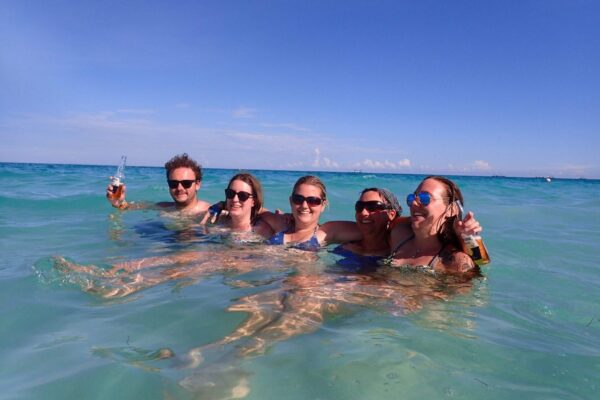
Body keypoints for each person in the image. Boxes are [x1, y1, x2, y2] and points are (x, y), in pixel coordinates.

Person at [56, 172, 272, 298]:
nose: (235, 199)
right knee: (174, 265)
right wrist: (118, 204)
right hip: (218, 256)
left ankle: (111, 283)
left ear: (254, 200)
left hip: (243, 261)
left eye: (242, 195)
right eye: (230, 193)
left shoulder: (263, 225)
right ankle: (109, 278)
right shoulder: (217, 218)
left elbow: (292, 224)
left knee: (175, 265)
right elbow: (132, 207)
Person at [388, 175, 482, 274]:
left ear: (451, 209)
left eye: (425, 198)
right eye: (412, 198)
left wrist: (466, 237)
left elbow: (479, 264)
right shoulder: (399, 235)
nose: (414, 204)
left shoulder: (453, 262)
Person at [260, 175, 361, 250]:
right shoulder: (281, 223)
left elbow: (369, 231)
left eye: (313, 201)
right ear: (291, 201)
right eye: (298, 199)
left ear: (323, 205)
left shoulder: (326, 232)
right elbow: (256, 209)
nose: (304, 205)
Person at [106, 153, 210, 215]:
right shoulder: (164, 207)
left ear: (197, 184)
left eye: (186, 183)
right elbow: (129, 206)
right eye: (173, 183)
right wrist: (118, 202)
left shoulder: (210, 212)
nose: (179, 188)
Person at [331, 187, 402, 269]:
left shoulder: (395, 256)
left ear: (391, 214)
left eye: (373, 207)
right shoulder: (345, 247)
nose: (363, 213)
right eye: (359, 207)